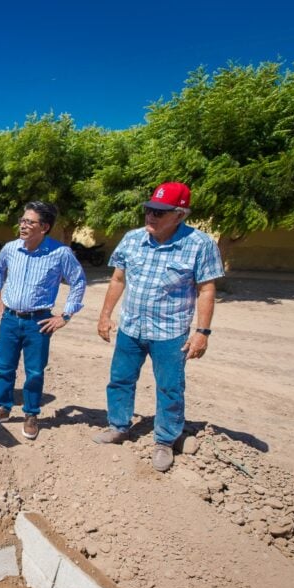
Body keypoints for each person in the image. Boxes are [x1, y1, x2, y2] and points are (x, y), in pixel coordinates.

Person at [93, 182, 224, 472]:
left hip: (170, 332)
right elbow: (118, 279)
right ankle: (118, 426)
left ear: (179, 215)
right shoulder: (132, 239)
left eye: (160, 212)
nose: (151, 216)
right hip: (131, 328)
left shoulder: (200, 244)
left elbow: (206, 290)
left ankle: (165, 440)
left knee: (170, 388)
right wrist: (105, 315)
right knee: (120, 379)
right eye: (150, 210)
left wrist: (202, 333)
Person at [0, 201, 87, 440]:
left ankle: (31, 414)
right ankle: (3, 407)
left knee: (35, 372)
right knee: (4, 367)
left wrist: (65, 316)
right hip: (9, 318)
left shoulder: (60, 253)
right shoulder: (11, 248)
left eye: (30, 222)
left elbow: (78, 282)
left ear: (45, 227)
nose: (23, 225)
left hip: (38, 322)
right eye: (22, 220)